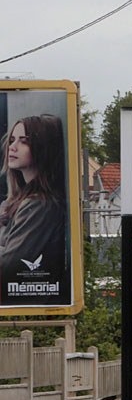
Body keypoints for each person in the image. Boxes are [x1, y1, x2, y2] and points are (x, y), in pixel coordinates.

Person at [0, 115, 68, 298]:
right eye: (12, 140)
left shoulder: (40, 204)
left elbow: (9, 264)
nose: (12, 147)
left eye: (24, 141)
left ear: (42, 148)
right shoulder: (17, 200)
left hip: (30, 300)